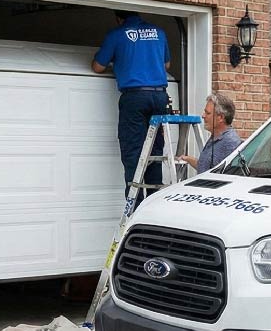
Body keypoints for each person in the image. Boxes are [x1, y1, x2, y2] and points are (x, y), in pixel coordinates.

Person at [92, 11, 171, 201]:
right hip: (160, 97)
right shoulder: (159, 32)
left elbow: (97, 67)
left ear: (119, 19)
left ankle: (135, 205)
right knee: (155, 150)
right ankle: (153, 203)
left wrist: (121, 63)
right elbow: (166, 65)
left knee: (133, 149)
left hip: (135, 97)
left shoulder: (117, 34)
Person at [179, 93, 242, 173]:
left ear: (221, 117)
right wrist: (188, 159)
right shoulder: (216, 137)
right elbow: (205, 168)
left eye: (208, 113)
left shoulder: (230, 143)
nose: (203, 116)